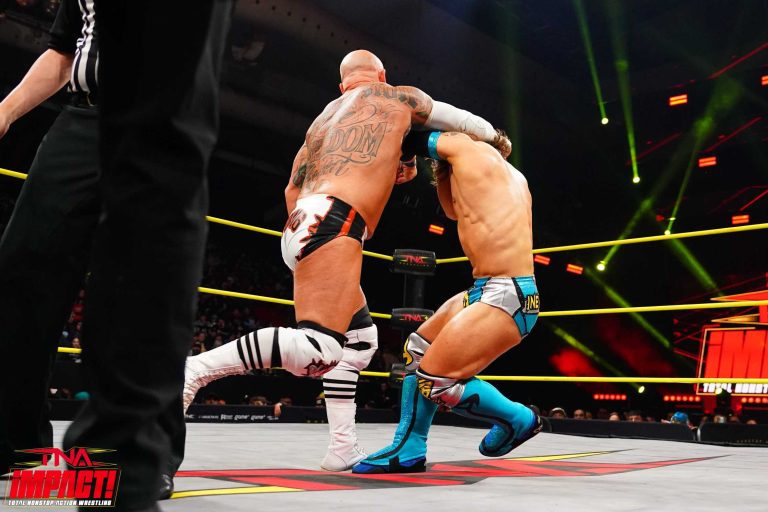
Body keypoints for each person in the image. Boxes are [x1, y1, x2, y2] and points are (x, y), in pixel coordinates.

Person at [183, 49, 510, 471]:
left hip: (301, 223)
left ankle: (342, 447)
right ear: (382, 75)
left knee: (359, 342)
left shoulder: (320, 124)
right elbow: (463, 122)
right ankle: (195, 370)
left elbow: (291, 189)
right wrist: (496, 144)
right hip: (334, 223)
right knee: (318, 349)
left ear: (342, 87)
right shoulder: (398, 96)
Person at [0, 0, 189, 499]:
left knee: (139, 291)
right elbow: (63, 51)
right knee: (19, 270)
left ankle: (141, 451)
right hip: (78, 120)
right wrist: (5, 110)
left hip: (154, 125)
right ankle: (16, 441)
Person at [55, 1, 232, 510]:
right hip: (77, 111)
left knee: (159, 158)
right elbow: (62, 48)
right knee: (27, 260)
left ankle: (125, 466)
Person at [353, 129, 541, 474]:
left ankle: (519, 418)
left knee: (435, 380)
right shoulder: (509, 175)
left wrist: (408, 159)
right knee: (418, 349)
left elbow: (411, 133)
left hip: (506, 293)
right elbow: (453, 211)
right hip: (488, 288)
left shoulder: (470, 149)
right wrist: (440, 169)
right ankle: (409, 447)